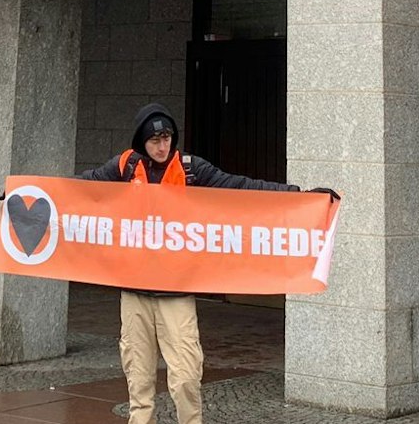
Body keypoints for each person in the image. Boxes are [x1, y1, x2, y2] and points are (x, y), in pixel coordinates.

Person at [79, 103, 339, 424]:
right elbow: (79, 189)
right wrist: (35, 193)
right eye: (154, 140)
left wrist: (299, 196)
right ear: (141, 142)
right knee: (138, 377)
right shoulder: (125, 166)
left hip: (176, 292)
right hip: (134, 292)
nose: (162, 147)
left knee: (186, 377)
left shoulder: (191, 170)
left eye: (166, 139)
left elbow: (242, 188)